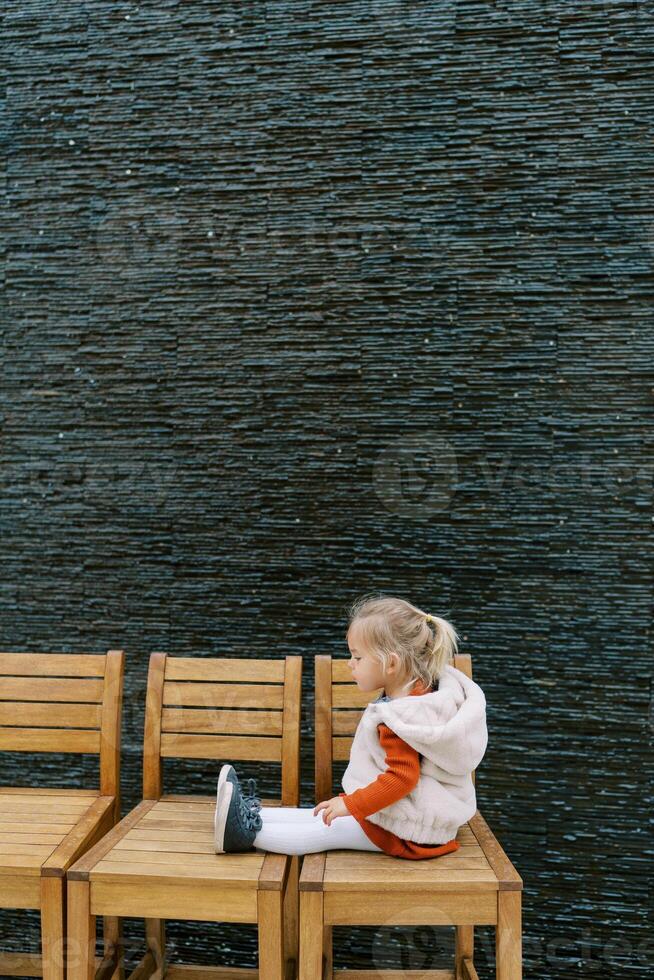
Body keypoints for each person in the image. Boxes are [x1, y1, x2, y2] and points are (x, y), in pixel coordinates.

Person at [213, 593, 488, 859]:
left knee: (328, 828)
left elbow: (402, 779)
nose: (350, 664)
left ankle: (246, 833)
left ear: (391, 663)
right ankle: (249, 813)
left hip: (406, 832)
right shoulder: (428, 692)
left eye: (357, 657)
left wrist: (351, 804)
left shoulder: (403, 719)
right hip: (416, 817)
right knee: (323, 812)